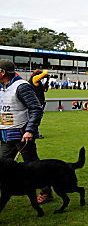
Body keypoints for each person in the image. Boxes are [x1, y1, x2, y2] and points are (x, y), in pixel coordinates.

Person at [0, 60, 53, 204]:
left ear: (3, 72)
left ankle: (46, 193)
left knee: (33, 166)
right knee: (3, 164)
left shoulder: (22, 87)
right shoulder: (2, 86)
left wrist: (30, 130)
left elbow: (36, 108)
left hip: (22, 134)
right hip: (6, 135)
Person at [28, 69, 50, 139]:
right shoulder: (34, 78)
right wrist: (45, 73)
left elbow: (43, 89)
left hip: (37, 101)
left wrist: (47, 80)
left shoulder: (35, 80)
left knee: (35, 118)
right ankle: (35, 133)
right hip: (37, 102)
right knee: (35, 118)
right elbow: (45, 72)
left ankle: (35, 133)